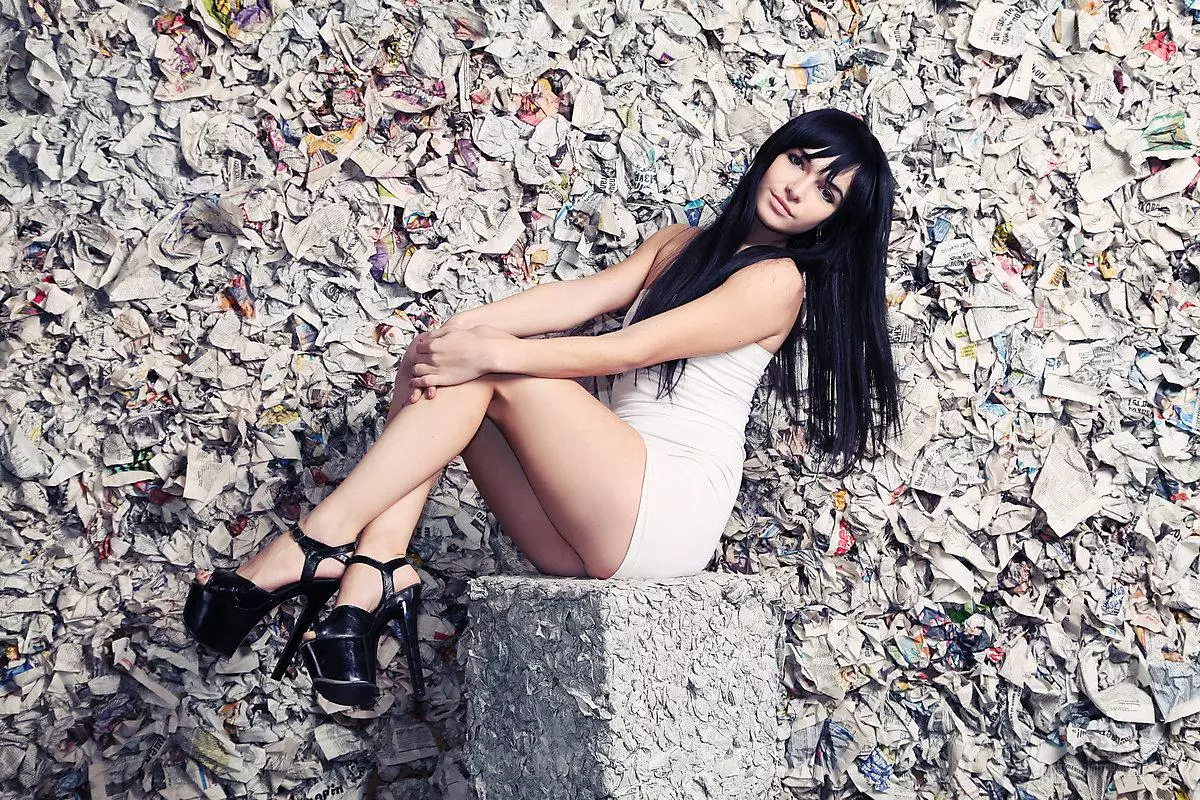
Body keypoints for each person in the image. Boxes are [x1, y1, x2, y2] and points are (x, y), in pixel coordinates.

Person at [182, 107, 901, 709]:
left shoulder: (777, 281)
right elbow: (577, 300)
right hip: (584, 527)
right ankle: (373, 574)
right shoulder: (678, 245)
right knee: (440, 358)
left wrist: (488, 349)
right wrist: (461, 330)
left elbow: (627, 349)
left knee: (488, 367)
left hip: (665, 509)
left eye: (827, 191)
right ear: (771, 154)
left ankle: (318, 543)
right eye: (797, 161)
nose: (798, 189)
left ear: (833, 221)